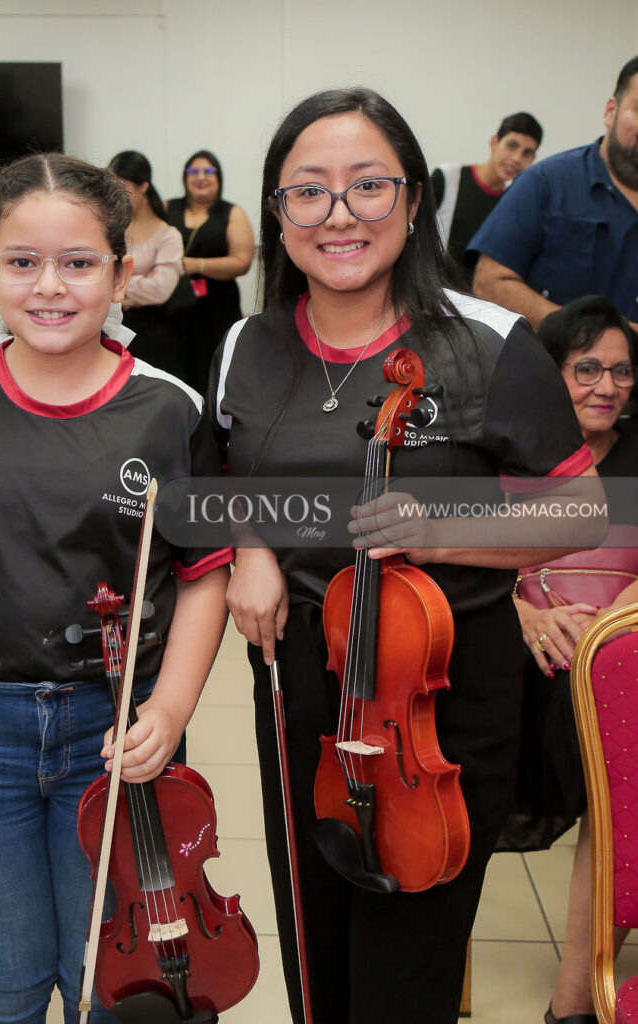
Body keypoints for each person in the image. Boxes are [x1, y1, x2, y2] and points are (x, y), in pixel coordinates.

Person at [208, 87, 601, 1024]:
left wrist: (439, 531)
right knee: (314, 952)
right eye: (308, 192)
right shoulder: (245, 346)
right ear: (277, 211)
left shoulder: (490, 345)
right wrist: (249, 545)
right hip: (299, 682)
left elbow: (587, 510)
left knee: (403, 978)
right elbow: (222, 475)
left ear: (416, 198)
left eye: (368, 187)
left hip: (438, 693)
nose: (338, 215)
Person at [0, 153, 232, 1024]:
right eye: (21, 262)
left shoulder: (168, 410)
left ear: (121, 272)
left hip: (113, 735)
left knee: (112, 975)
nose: (49, 287)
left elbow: (204, 577)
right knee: (6, 978)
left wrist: (171, 711)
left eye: (78, 262)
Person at [501, 297, 638, 1024]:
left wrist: (610, 636)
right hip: (518, 653)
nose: (606, 386)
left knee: (626, 762)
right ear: (548, 376)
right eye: (585, 368)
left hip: (618, 658)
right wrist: (523, 616)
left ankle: (574, 1003)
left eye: (620, 371)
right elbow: (466, 567)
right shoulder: (509, 452)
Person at [470, 57, 638, 329]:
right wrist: (589, 335)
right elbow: (489, 282)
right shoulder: (546, 182)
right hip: (553, 368)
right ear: (611, 111)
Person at [166, 150, 254, 393]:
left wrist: (196, 265)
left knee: (216, 373)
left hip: (217, 307)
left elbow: (242, 262)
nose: (200, 177)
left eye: (208, 171)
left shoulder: (231, 212)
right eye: (193, 171)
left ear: (219, 178)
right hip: (172, 307)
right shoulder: (167, 207)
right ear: (185, 177)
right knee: (173, 370)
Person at [431, 112, 542, 282]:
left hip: (475, 304)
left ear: (532, 160)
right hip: (429, 294)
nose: (516, 159)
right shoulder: (448, 177)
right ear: (494, 142)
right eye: (511, 146)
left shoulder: (514, 204)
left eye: (526, 153)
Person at [108, 151, 186, 378]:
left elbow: (160, 289)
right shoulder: (112, 229)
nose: (116, 194)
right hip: (110, 327)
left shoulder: (168, 235)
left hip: (151, 332)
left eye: (123, 186)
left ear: (143, 186)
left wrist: (116, 282)